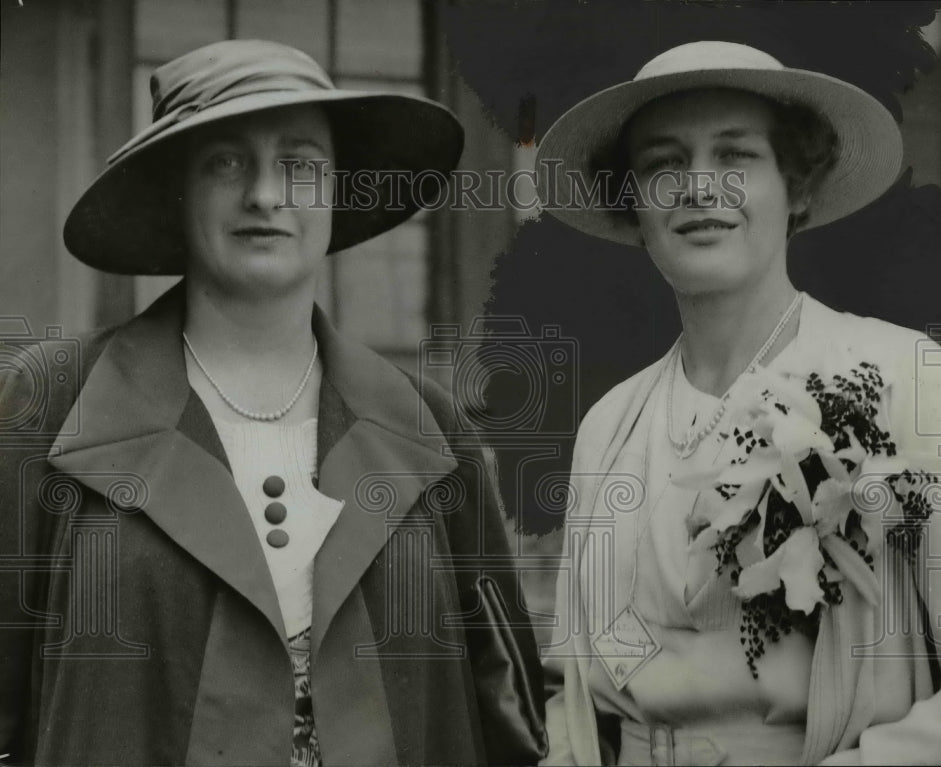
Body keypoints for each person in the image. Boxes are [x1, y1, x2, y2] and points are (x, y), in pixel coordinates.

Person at [0, 39, 545, 766]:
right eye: (226, 162)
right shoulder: (52, 403)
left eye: (300, 163)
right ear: (178, 189)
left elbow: (503, 709)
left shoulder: (428, 425)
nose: (265, 193)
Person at [535, 41, 941, 765]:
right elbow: (572, 702)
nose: (699, 187)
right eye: (662, 164)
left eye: (735, 156)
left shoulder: (906, 377)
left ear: (797, 188)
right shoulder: (610, 426)